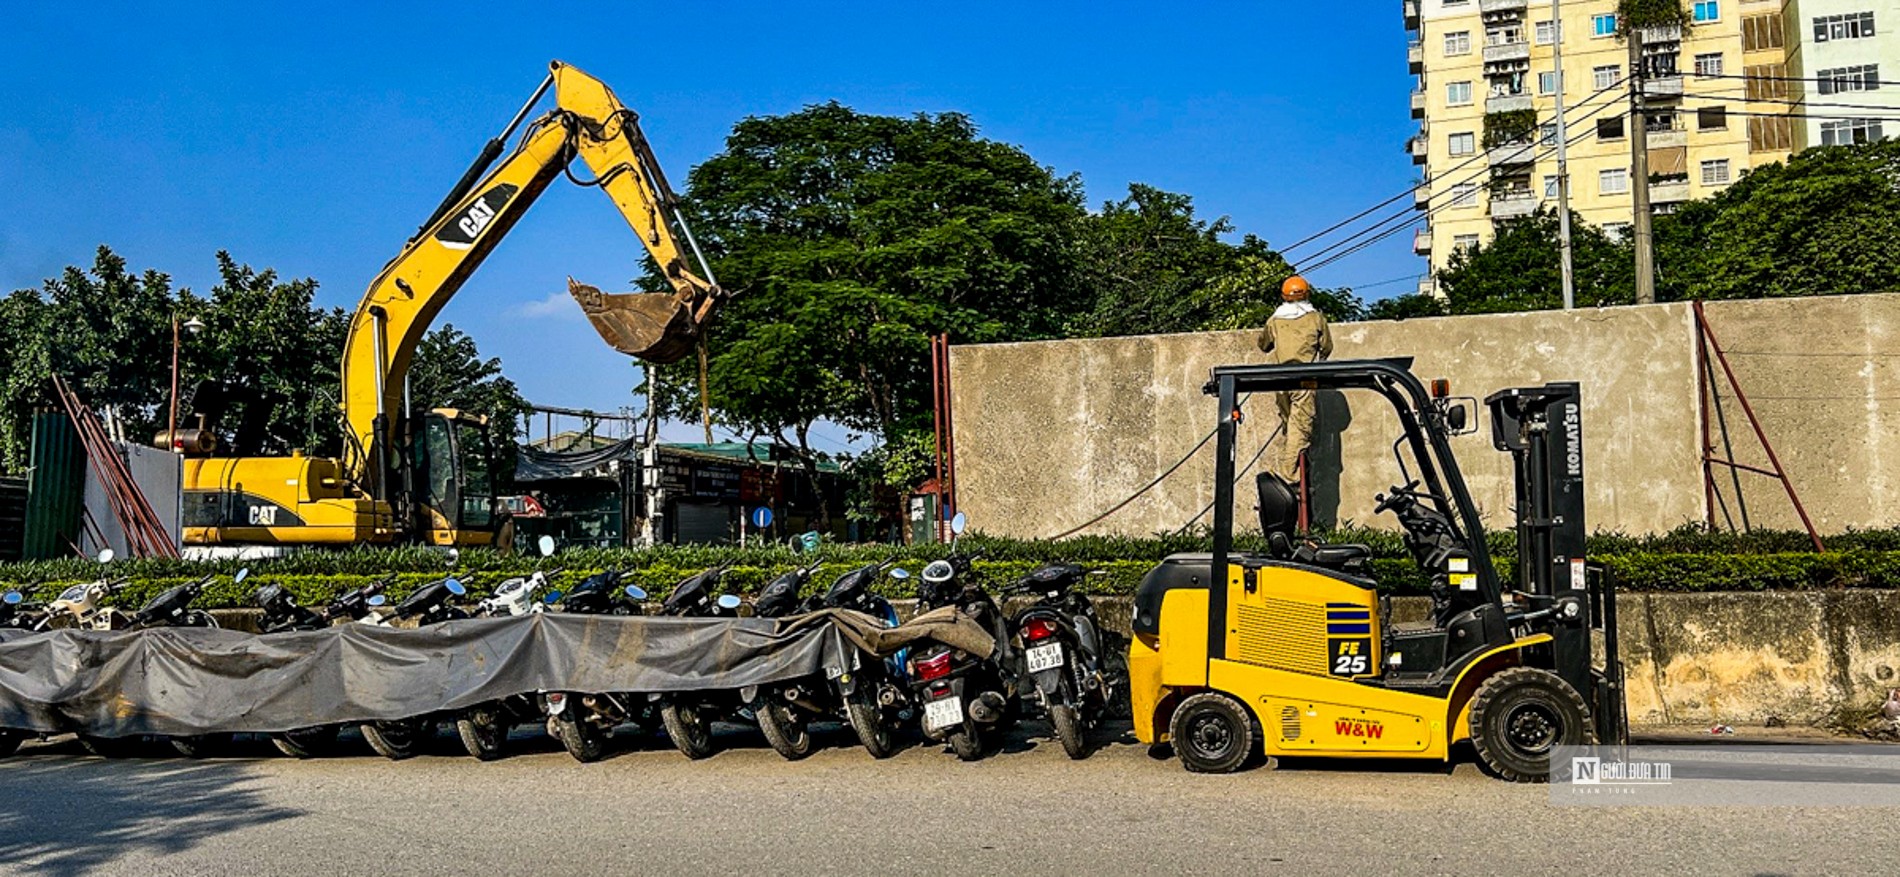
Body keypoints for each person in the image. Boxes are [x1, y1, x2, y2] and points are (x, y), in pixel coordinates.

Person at [1256, 275, 1333, 484]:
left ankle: (1292, 464)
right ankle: (1289, 475)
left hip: (1281, 380)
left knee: (1289, 425)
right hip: (1304, 380)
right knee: (1300, 427)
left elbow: (1263, 345)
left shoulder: (1275, 319)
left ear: (1284, 296)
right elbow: (1327, 347)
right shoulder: (1316, 318)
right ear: (1306, 293)